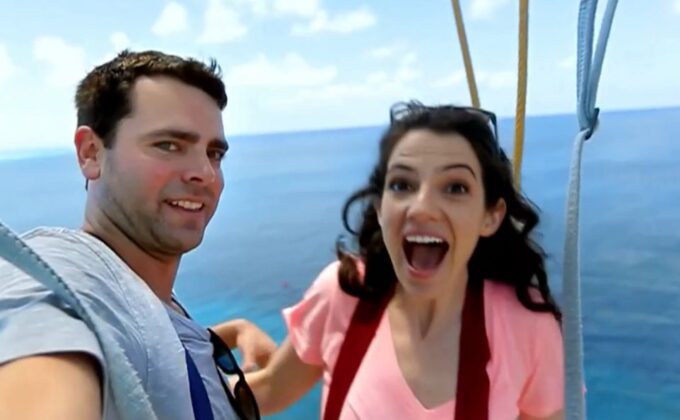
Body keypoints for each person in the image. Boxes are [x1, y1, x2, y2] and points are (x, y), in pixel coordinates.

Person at [0, 50, 276, 420]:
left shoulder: (150, 300)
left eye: (214, 153)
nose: (205, 173)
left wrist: (229, 332)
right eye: (168, 145)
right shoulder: (61, 282)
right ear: (91, 153)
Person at [246, 101, 565, 419]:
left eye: (455, 188)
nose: (422, 207)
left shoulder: (528, 326)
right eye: (402, 185)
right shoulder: (345, 291)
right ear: (380, 207)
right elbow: (269, 389)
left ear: (491, 216)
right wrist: (215, 347)